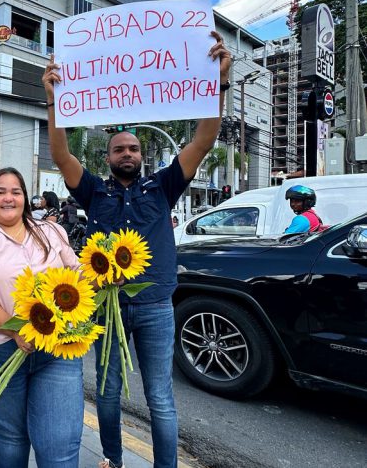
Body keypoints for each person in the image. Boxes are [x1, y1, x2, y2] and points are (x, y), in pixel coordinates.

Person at [42, 31, 232, 468]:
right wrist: (53, 99)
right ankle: (112, 458)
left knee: (159, 397)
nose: (127, 153)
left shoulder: (165, 184)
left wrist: (219, 83)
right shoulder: (92, 191)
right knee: (107, 392)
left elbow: (203, 140)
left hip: (155, 306)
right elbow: (59, 151)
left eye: (133, 148)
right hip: (106, 307)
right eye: (118, 149)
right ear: (107, 157)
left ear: (141, 155)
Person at [0, 167, 84, 467]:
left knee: (60, 446)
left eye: (16, 191)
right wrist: (16, 331)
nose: (8, 198)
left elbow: (76, 272)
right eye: (0, 191)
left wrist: (105, 274)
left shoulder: (51, 231)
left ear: (25, 199)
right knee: (11, 435)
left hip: (58, 347)